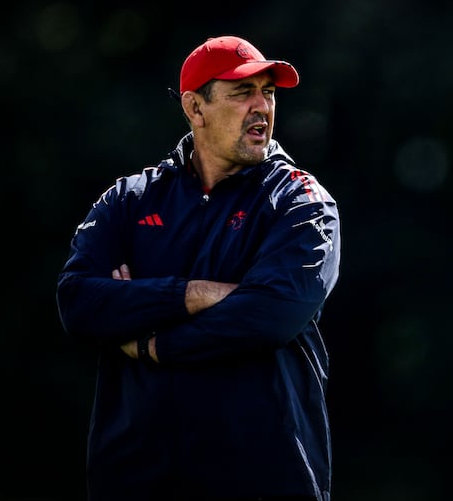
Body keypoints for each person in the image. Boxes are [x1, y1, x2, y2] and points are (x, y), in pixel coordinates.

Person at [56, 35, 342, 501]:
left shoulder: (300, 200)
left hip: (263, 478)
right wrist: (194, 294)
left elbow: (274, 314)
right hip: (136, 479)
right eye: (241, 92)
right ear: (195, 107)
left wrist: (152, 343)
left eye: (268, 92)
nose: (262, 107)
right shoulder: (129, 200)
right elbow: (77, 303)